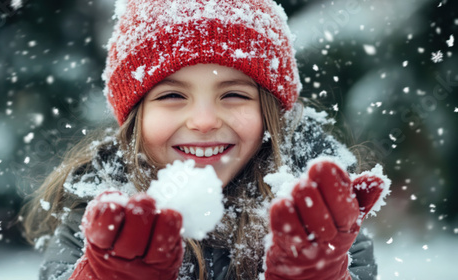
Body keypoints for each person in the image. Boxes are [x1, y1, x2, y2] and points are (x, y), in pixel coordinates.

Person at [22, 0, 390, 279]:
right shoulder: (96, 221)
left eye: (233, 95)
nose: (203, 121)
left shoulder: (321, 220)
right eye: (171, 96)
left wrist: (318, 273)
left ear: (270, 115)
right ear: (136, 118)